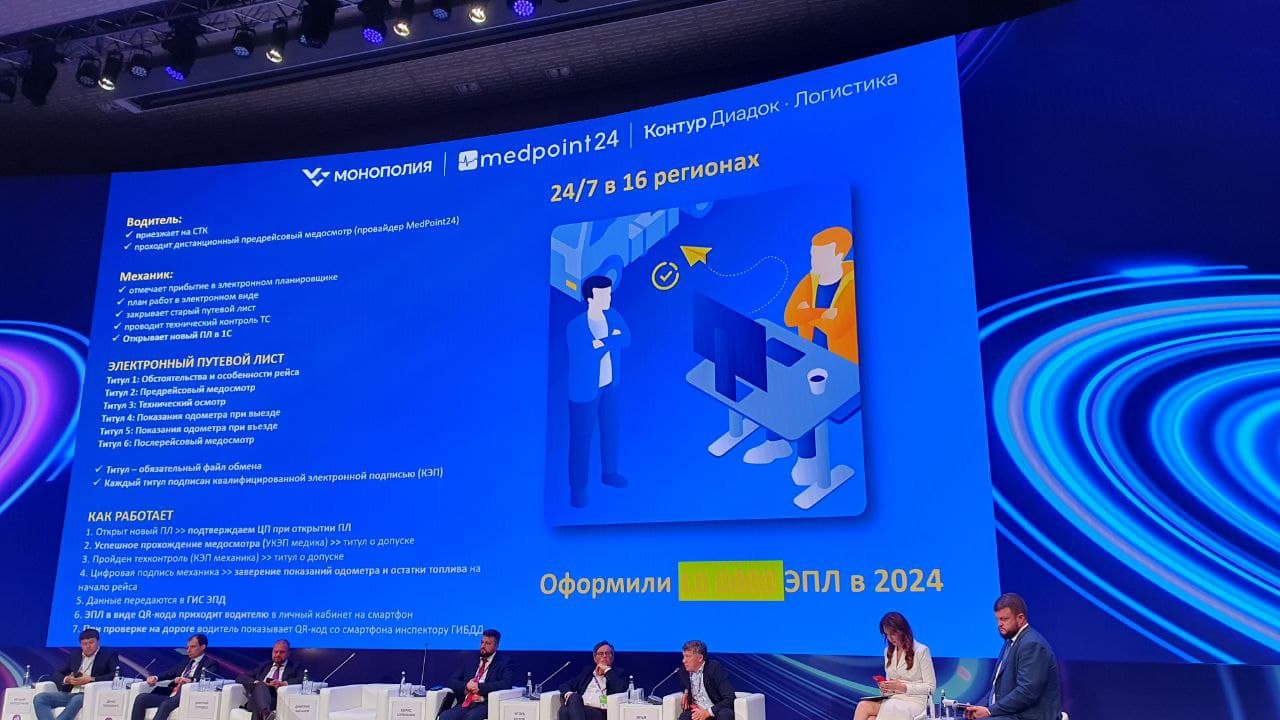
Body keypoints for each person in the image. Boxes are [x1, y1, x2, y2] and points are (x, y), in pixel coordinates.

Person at [744, 226, 858, 484]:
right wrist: (823, 314)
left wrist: (811, 313)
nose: (813, 260)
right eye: (812, 254)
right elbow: (791, 316)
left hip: (843, 366)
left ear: (838, 255)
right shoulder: (811, 280)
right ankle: (775, 442)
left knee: (803, 396)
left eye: (820, 255)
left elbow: (837, 326)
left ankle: (809, 459)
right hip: (809, 354)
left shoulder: (853, 284)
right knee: (772, 375)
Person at [565, 274, 632, 508]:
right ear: (590, 298)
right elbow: (585, 355)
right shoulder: (576, 327)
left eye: (609, 294)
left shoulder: (613, 316)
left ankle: (609, 473)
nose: (609, 298)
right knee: (581, 441)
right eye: (604, 295)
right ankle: (578, 491)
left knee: (610, 431)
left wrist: (602, 343)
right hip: (584, 393)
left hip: (610, 387)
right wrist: (610, 341)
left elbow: (626, 338)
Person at [964, 593, 1062, 720]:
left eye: (1004, 619)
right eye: (998, 619)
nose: (999, 624)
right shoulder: (1010, 642)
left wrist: (989, 711)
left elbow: (1027, 692)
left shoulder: (1032, 644)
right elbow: (996, 690)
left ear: (1020, 618)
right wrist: (976, 709)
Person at [853, 612, 935, 720]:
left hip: (916, 701)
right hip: (894, 699)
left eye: (892, 633)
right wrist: (886, 687)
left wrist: (903, 687)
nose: (890, 638)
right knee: (869, 715)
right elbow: (890, 685)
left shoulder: (921, 651)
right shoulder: (888, 652)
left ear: (902, 630)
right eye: (886, 635)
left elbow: (931, 688)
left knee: (865, 707)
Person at [33, 628, 120, 720]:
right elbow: (57, 673)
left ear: (98, 642)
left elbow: (116, 675)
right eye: (84, 644)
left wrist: (91, 679)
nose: (88, 646)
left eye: (91, 643)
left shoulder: (108, 654)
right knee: (40, 698)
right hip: (71, 693)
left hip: (91, 694)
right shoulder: (75, 654)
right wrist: (67, 679)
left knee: (77, 699)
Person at [131, 633, 221, 720]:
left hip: (186, 695)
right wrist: (155, 678)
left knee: (165, 704)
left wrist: (190, 680)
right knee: (141, 698)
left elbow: (207, 679)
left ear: (202, 647)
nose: (188, 650)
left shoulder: (210, 663)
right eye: (188, 647)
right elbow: (170, 673)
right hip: (172, 695)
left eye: (193, 647)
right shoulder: (186, 661)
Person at [440, 629, 515, 720]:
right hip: (466, 703)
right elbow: (452, 681)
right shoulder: (470, 659)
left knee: (470, 718)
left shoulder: (504, 662)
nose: (483, 646)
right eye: (482, 642)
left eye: (488, 643)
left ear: (496, 646)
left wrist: (479, 687)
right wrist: (466, 686)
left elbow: (506, 683)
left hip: (484, 703)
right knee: (445, 716)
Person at [558, 640, 630, 720]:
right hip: (581, 708)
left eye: (607, 653)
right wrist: (568, 693)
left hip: (601, 712)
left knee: (567, 708)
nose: (604, 656)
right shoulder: (588, 671)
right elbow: (565, 685)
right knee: (564, 709)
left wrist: (607, 671)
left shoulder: (619, 673)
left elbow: (620, 689)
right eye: (601, 653)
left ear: (612, 657)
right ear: (595, 658)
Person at [235, 639, 304, 720]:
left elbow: (303, 679)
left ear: (288, 653)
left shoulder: (295, 667)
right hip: (257, 697)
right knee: (261, 686)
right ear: (272, 652)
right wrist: (258, 683)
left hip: (277, 700)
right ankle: (266, 713)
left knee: (258, 706)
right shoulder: (264, 666)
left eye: (282, 652)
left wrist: (282, 683)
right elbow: (241, 677)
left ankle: (265, 713)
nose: (278, 654)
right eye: (276, 652)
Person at [677, 640, 735, 720]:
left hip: (716, 711)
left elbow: (730, 698)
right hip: (698, 711)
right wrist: (686, 691)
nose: (684, 661)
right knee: (684, 717)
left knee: (725, 714)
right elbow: (685, 685)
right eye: (684, 656)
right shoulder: (684, 671)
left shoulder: (713, 668)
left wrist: (708, 712)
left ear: (700, 658)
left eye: (688, 656)